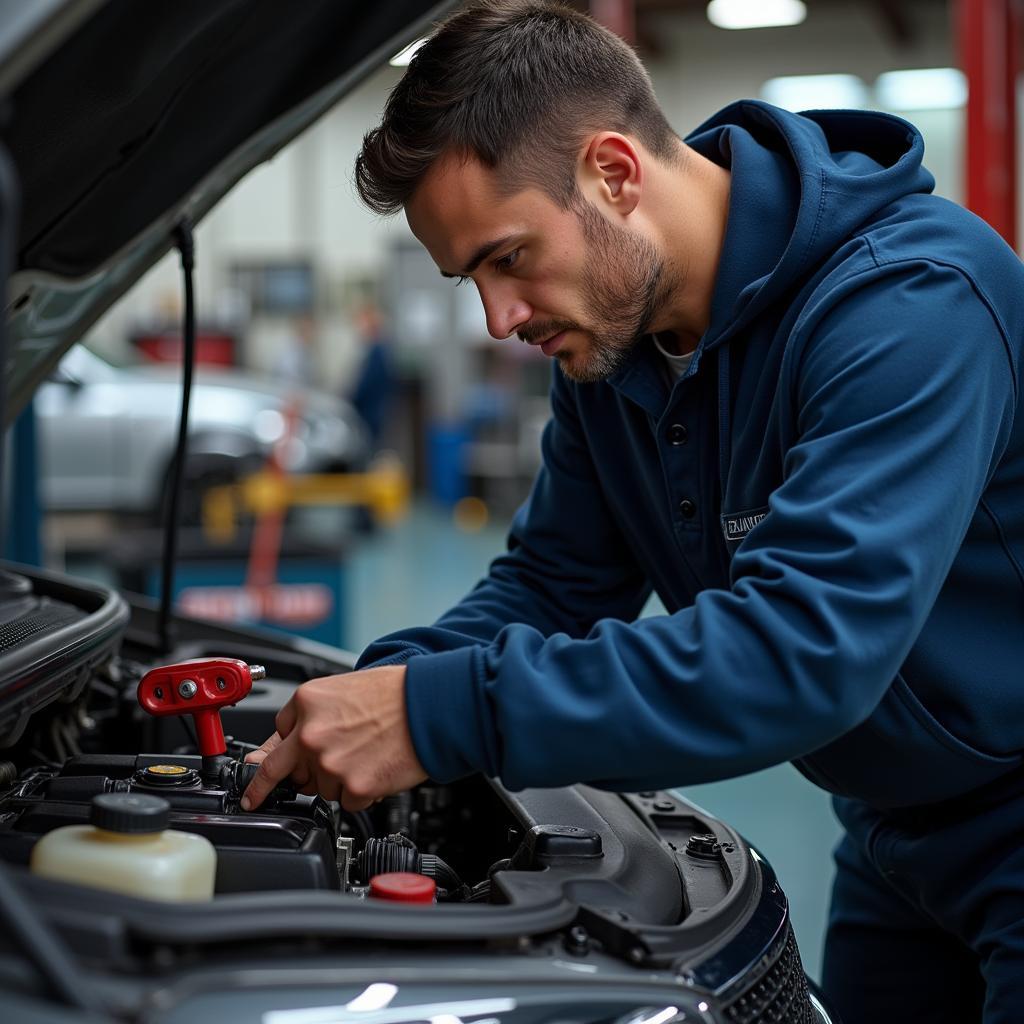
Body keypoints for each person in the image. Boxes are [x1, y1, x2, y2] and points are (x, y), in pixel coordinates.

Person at [241, 3, 1024, 1019]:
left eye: (508, 256)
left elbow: (800, 652)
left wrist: (439, 715)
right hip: (891, 827)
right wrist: (383, 688)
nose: (497, 317)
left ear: (614, 172)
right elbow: (553, 581)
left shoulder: (909, 306)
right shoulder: (617, 344)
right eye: (468, 276)